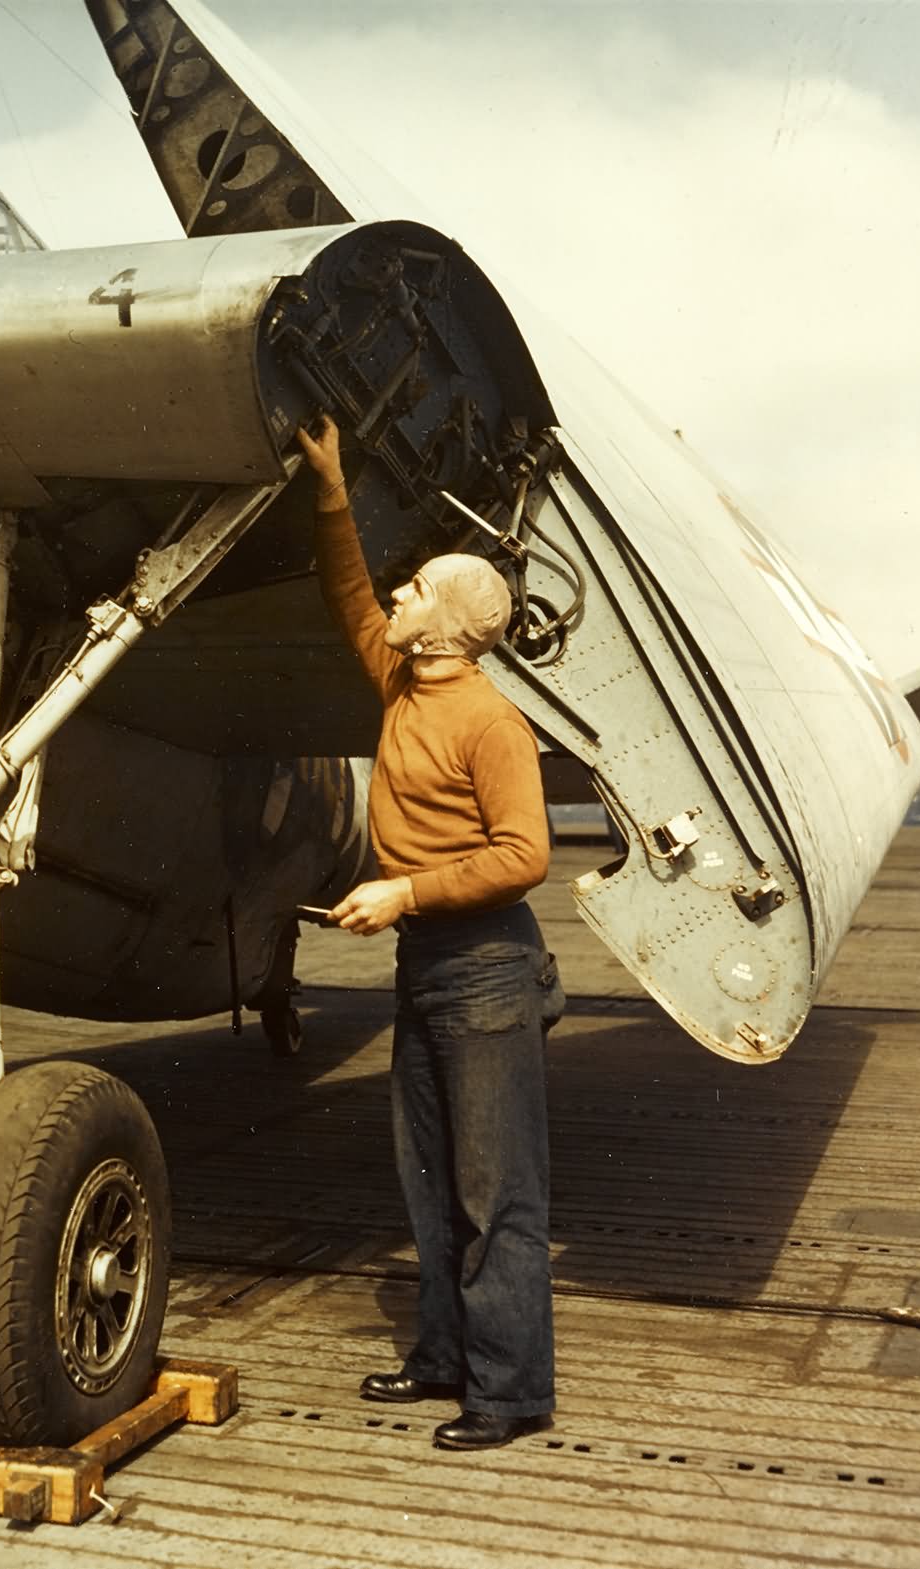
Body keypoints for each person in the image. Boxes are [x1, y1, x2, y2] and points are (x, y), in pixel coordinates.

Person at [297, 415, 559, 1452]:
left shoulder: (491, 723)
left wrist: (403, 892)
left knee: (496, 1192)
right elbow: (346, 593)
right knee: (428, 1179)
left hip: (488, 968)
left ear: (446, 627)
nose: (395, 597)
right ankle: (445, 1357)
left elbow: (525, 855)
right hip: (430, 965)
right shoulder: (402, 679)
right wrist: (328, 486)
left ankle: (509, 1392)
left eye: (414, 590)